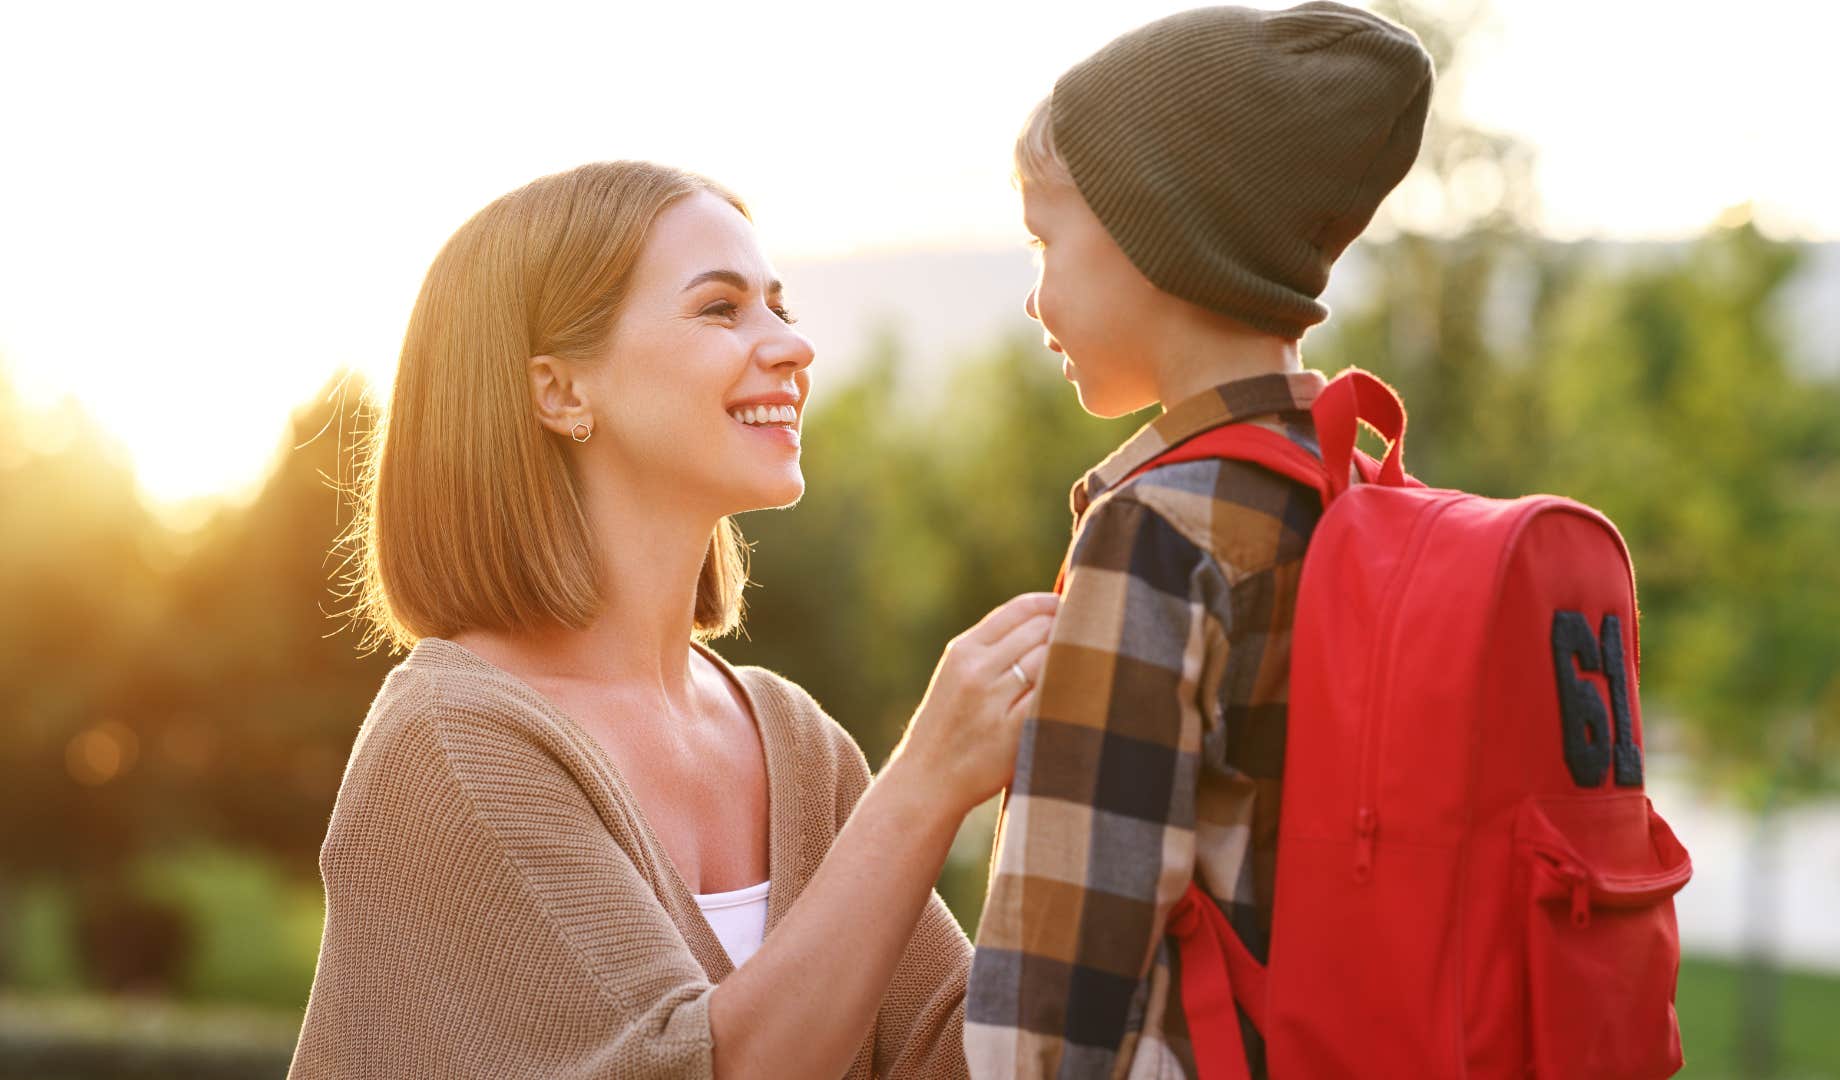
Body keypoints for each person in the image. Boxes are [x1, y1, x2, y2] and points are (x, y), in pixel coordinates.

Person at [290, 160, 1056, 1079]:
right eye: (720, 310)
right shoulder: (454, 744)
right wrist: (927, 784)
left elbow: (966, 1056)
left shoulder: (796, 745)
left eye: (781, 307)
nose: (791, 348)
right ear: (560, 391)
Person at [964, 4, 1433, 1076]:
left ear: (1151, 229)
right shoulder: (1355, 498)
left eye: (1047, 238)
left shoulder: (1154, 534)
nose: (1035, 295)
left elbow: (1055, 986)